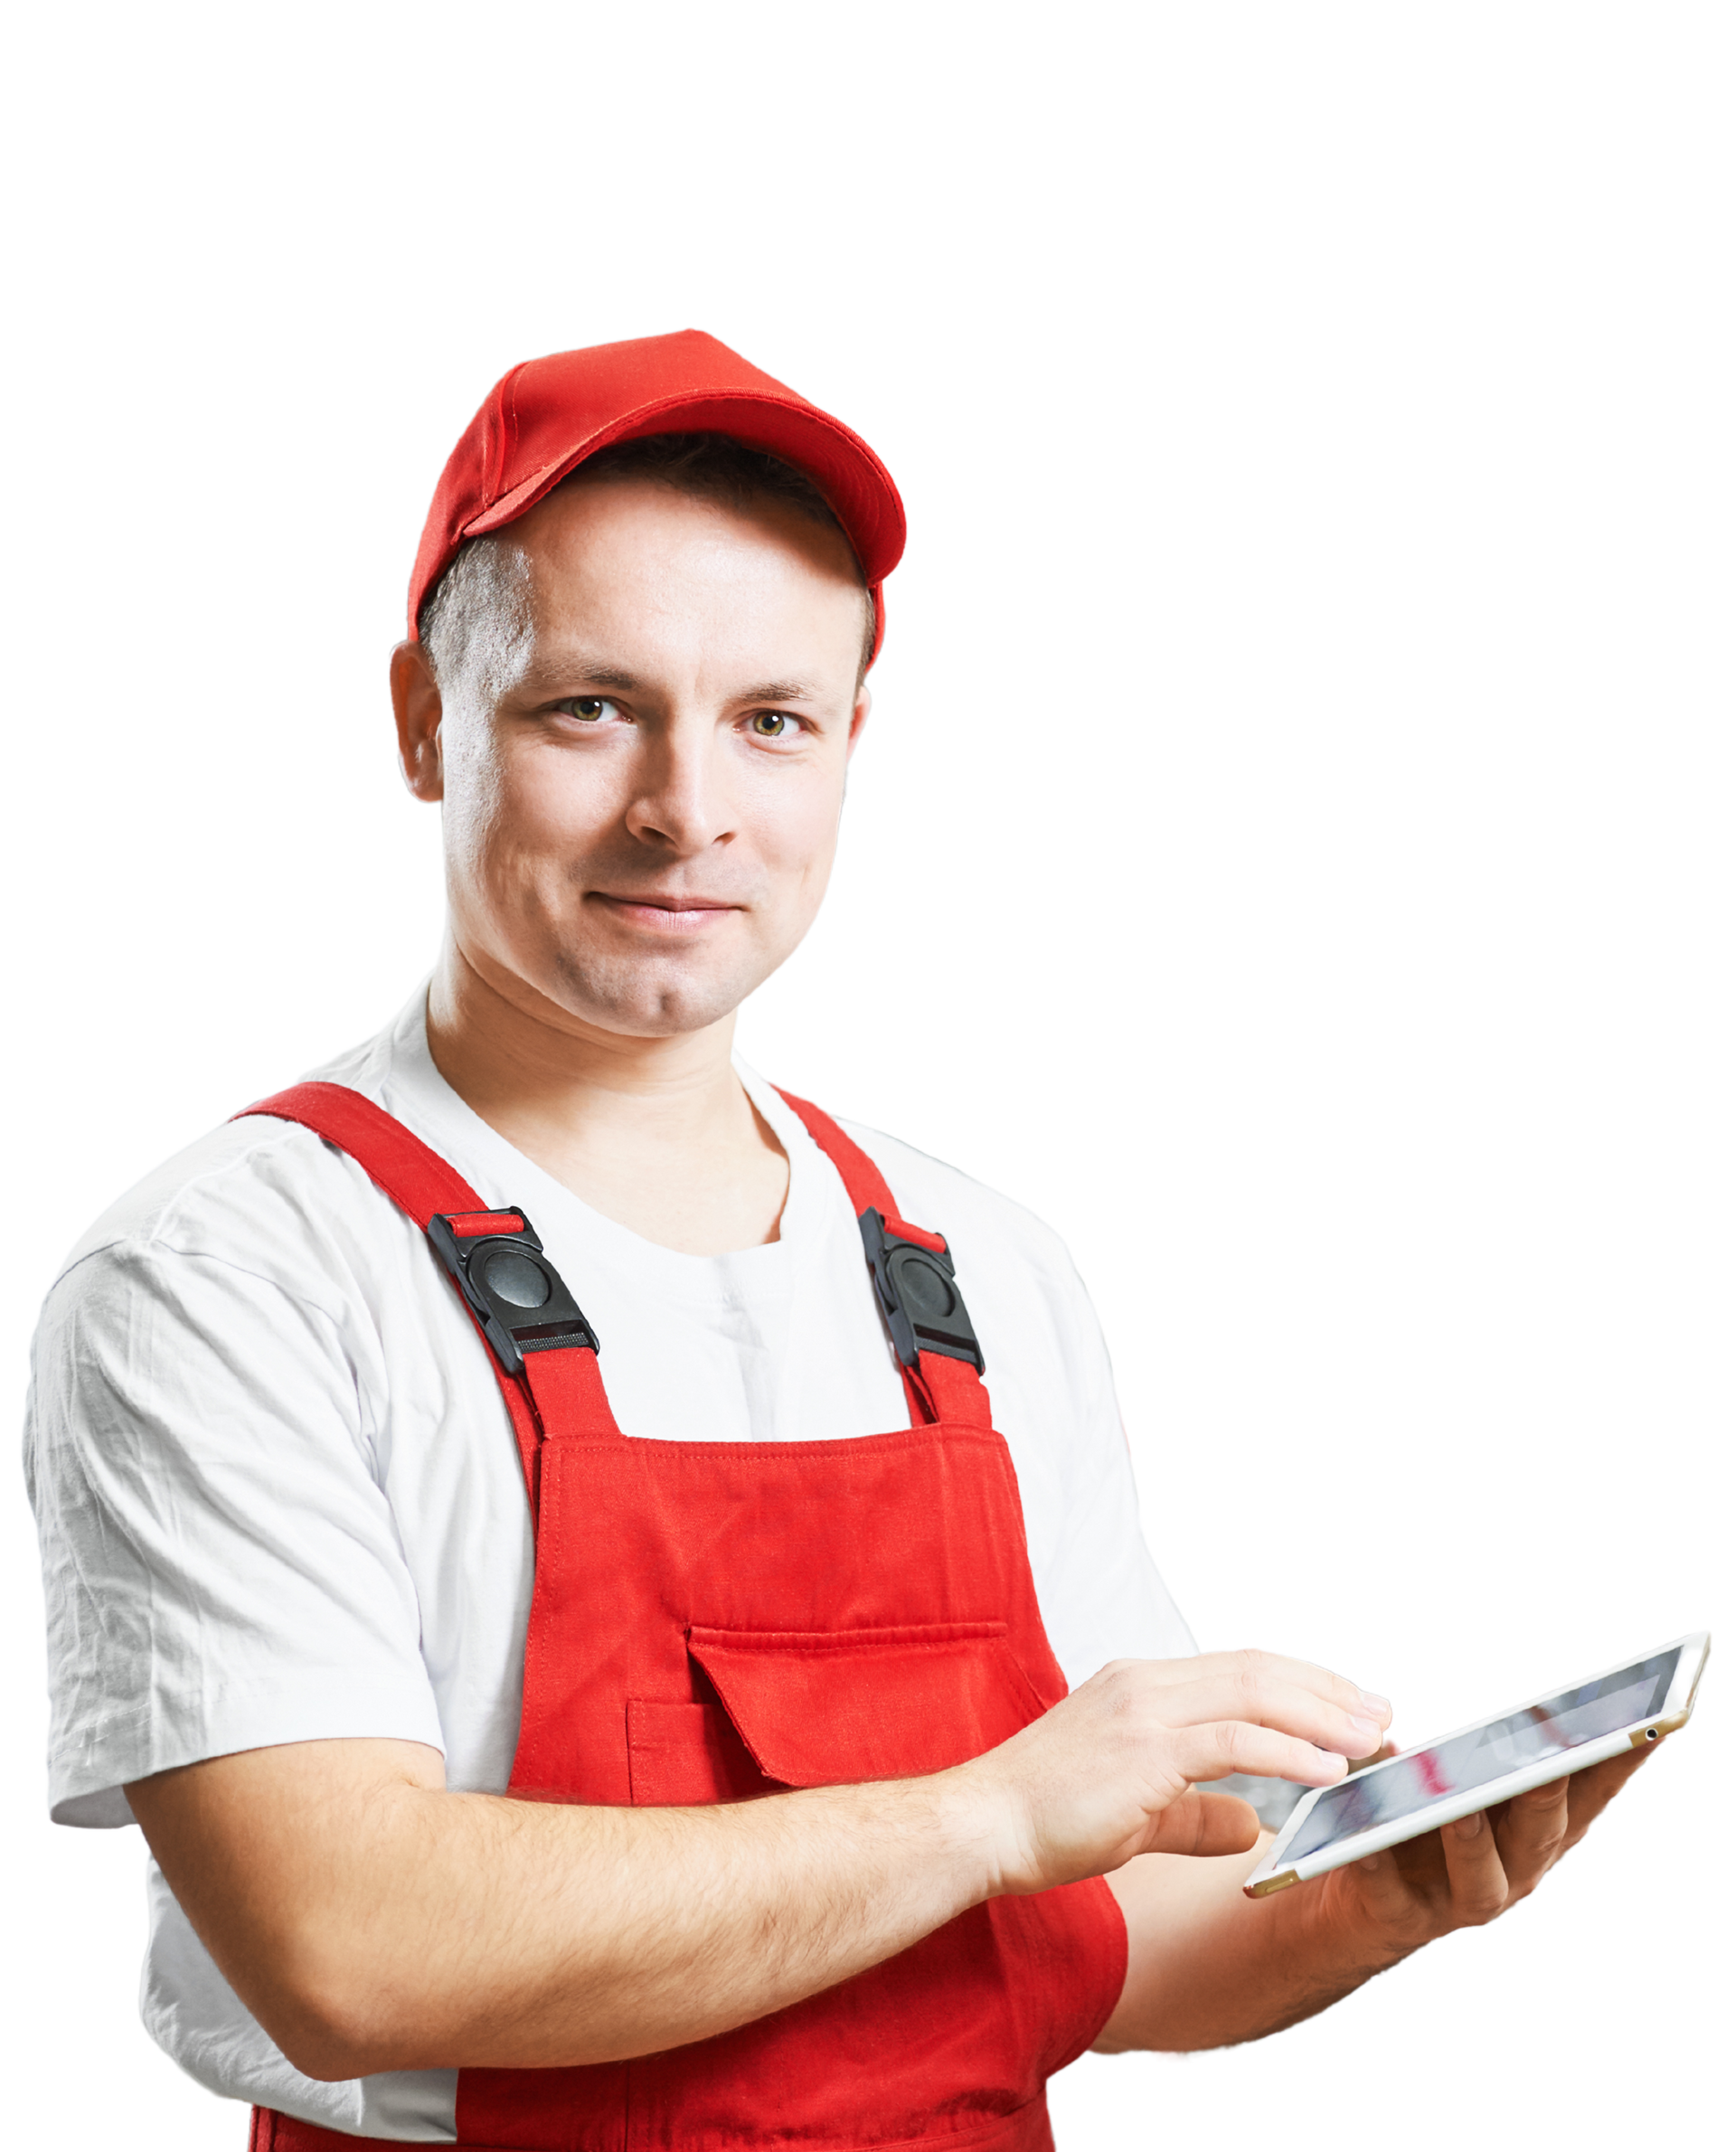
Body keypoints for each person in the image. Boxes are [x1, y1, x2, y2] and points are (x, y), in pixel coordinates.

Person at [20, 326, 1670, 2150]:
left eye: (769, 721)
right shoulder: (226, 1269)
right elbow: (346, 1943)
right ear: (421, 715)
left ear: (850, 747)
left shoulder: (980, 1266)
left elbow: (1099, 1936)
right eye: (590, 705)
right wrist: (985, 1809)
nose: (688, 809)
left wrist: (1375, 1897)